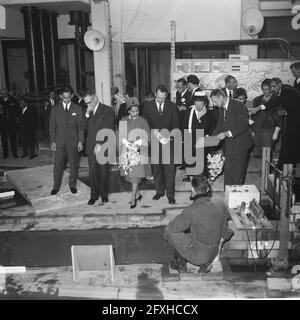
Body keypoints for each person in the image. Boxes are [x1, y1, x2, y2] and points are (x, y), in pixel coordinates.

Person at [164, 174, 234, 273]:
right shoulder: (219, 206)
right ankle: (206, 264)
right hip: (213, 252)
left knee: (168, 232)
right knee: (193, 230)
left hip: (199, 256)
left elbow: (172, 227)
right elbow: (226, 233)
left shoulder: (192, 210)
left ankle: (180, 265)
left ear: (193, 190)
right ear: (207, 189)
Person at [142, 84, 180, 204]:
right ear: (155, 94)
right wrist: (154, 135)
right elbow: (145, 125)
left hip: (168, 142)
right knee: (156, 169)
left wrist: (169, 137)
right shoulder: (147, 106)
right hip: (154, 142)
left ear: (166, 96)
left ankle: (170, 194)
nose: (161, 100)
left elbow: (176, 124)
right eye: (159, 97)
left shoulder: (172, 106)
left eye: (163, 98)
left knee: (170, 169)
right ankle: (159, 191)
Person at [250, 77, 300, 165]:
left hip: (287, 125)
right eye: (271, 87)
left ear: (279, 85)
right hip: (260, 129)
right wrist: (286, 112)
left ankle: (284, 168)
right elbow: (291, 106)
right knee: (262, 151)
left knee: (286, 148)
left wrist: (258, 108)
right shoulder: (284, 91)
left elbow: (273, 104)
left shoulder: (285, 92)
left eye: (273, 87)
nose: (272, 89)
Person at [211, 89, 253, 186]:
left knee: (238, 172)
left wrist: (226, 133)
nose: (214, 104)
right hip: (229, 144)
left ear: (221, 97)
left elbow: (243, 126)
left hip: (241, 144)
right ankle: (228, 193)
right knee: (229, 171)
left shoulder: (238, 105)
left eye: (215, 101)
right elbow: (220, 125)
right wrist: (212, 137)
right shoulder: (222, 107)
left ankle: (236, 195)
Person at [80, 89, 115, 205]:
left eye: (89, 102)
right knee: (93, 172)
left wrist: (99, 143)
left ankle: (104, 194)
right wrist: (86, 113)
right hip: (91, 147)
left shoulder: (107, 110)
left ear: (95, 98)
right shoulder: (87, 111)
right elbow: (83, 127)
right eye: (86, 103)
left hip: (103, 145)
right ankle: (94, 195)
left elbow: (108, 127)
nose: (88, 105)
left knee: (104, 171)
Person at [49, 86, 84, 195]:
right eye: (64, 98)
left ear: (72, 96)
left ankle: (72, 185)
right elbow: (52, 127)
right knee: (57, 165)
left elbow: (81, 127)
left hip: (73, 141)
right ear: (60, 96)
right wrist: (53, 141)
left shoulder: (77, 108)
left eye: (68, 97)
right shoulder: (55, 108)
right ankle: (56, 186)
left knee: (74, 165)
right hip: (59, 142)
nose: (66, 100)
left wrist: (80, 141)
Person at [119, 101, 151, 209]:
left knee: (135, 176)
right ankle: (138, 194)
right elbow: (121, 136)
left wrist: (138, 143)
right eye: (133, 111)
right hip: (127, 152)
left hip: (139, 152)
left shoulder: (143, 121)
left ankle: (133, 198)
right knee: (130, 176)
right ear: (128, 111)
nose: (135, 113)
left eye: (137, 111)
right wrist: (126, 143)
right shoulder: (123, 120)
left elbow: (147, 136)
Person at [181, 91, 216, 184]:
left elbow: (211, 128)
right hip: (190, 141)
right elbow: (184, 126)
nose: (199, 107)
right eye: (196, 105)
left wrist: (208, 135)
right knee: (190, 164)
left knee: (202, 165)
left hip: (202, 143)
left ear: (204, 103)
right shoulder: (189, 112)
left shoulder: (209, 113)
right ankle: (193, 186)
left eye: (201, 105)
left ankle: (202, 185)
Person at [252, 79, 281, 158]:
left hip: (270, 129)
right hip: (258, 129)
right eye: (263, 89)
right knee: (259, 152)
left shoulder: (277, 99)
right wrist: (253, 131)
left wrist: (276, 132)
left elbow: (279, 117)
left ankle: (267, 169)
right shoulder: (257, 99)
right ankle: (263, 169)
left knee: (267, 151)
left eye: (267, 89)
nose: (265, 92)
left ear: (271, 88)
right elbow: (253, 116)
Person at [0, 88, 21, 159]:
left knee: (13, 139)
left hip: (11, 123)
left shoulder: (13, 100)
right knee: (4, 140)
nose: (3, 95)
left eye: (4, 93)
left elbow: (18, 110)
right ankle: (5, 154)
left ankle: (14, 153)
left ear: (7, 93)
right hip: (2, 124)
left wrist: (17, 119)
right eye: (1, 93)